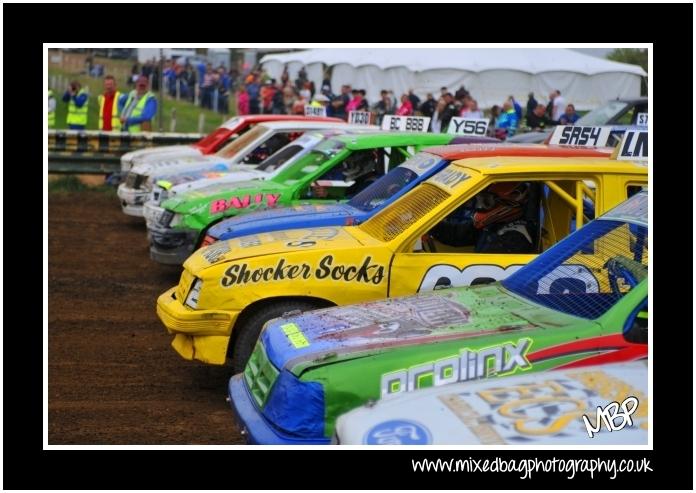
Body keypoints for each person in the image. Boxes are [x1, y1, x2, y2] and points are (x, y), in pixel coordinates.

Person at [428, 182, 534, 254]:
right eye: (479, 200)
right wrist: (428, 225)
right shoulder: (495, 224)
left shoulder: (514, 239)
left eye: (486, 202)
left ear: (509, 202)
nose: (479, 207)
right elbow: (456, 234)